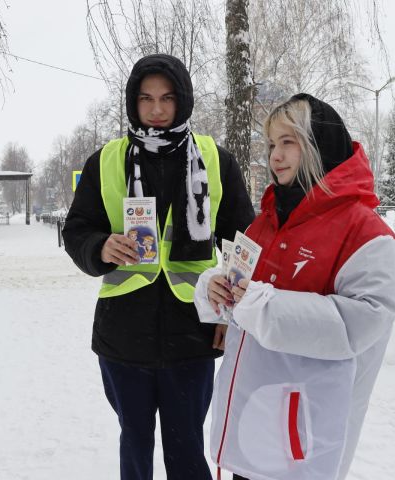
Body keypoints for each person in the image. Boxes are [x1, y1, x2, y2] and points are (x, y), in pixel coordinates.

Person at [62, 54, 254, 480]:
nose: (156, 109)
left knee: (186, 445)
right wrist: (100, 246)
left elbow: (244, 244)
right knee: (134, 442)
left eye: (167, 98)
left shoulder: (214, 160)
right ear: (133, 102)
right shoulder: (106, 160)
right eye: (146, 98)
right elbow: (76, 231)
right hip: (122, 335)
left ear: (182, 100)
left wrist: (231, 316)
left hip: (194, 332)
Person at [194, 93, 395, 480]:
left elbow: (362, 323)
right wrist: (216, 291)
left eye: (288, 142)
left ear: (318, 144)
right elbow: (245, 300)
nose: (275, 155)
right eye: (272, 144)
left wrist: (263, 306)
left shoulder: (365, 231)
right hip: (248, 419)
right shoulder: (266, 221)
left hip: (302, 438)